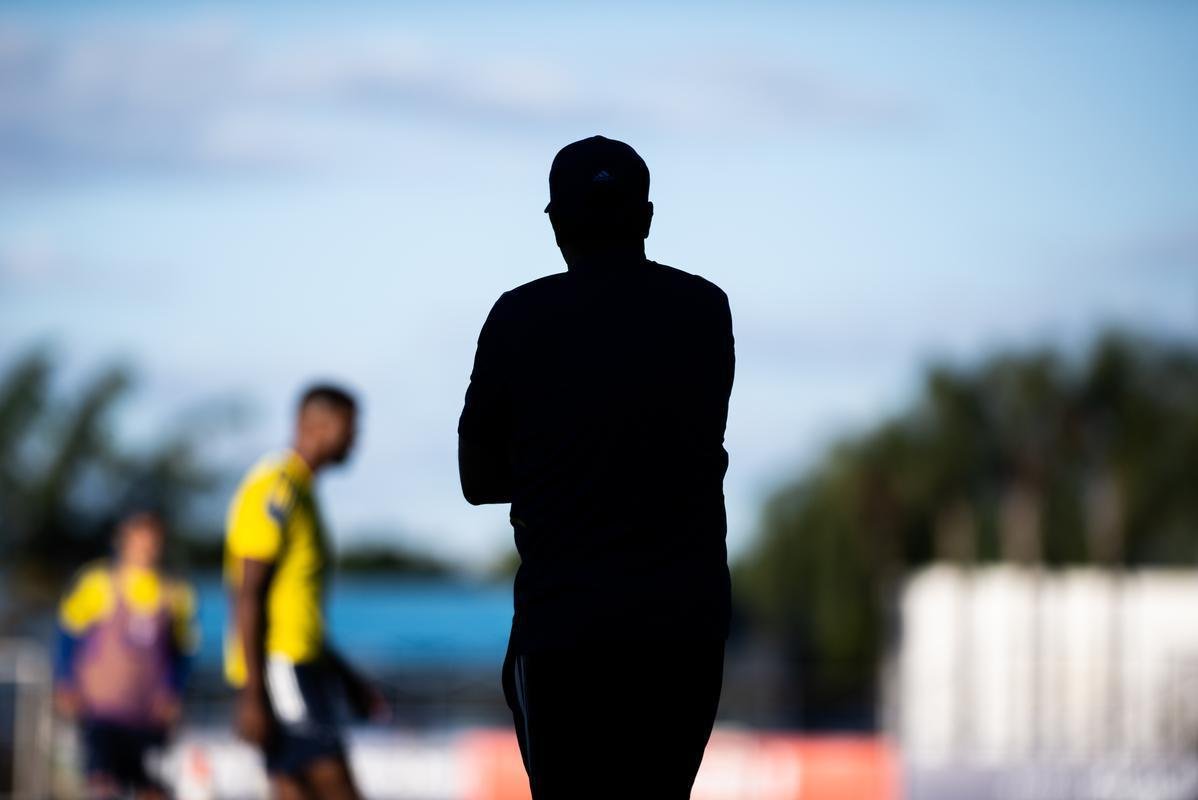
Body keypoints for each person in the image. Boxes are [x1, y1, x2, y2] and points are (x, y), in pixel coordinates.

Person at [458, 134, 735, 799]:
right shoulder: (703, 309)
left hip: (566, 625)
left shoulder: (518, 316)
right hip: (682, 626)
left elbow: (476, 479)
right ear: (645, 216)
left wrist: (551, 475)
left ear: (556, 224)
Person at [223, 383, 388, 800]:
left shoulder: (304, 493)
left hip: (300, 666)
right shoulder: (277, 488)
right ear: (314, 425)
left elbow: (297, 610)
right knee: (337, 789)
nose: (355, 438)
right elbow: (249, 593)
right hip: (280, 669)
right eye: (350, 426)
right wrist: (253, 694)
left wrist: (346, 677)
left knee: (293, 791)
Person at [53, 506, 199, 800]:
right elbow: (67, 635)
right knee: (102, 782)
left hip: (148, 712)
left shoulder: (176, 593)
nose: (146, 548)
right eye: (139, 539)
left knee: (152, 786)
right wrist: (65, 681)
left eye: (153, 540)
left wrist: (174, 692)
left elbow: (182, 652)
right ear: (123, 541)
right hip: (101, 708)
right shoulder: (98, 583)